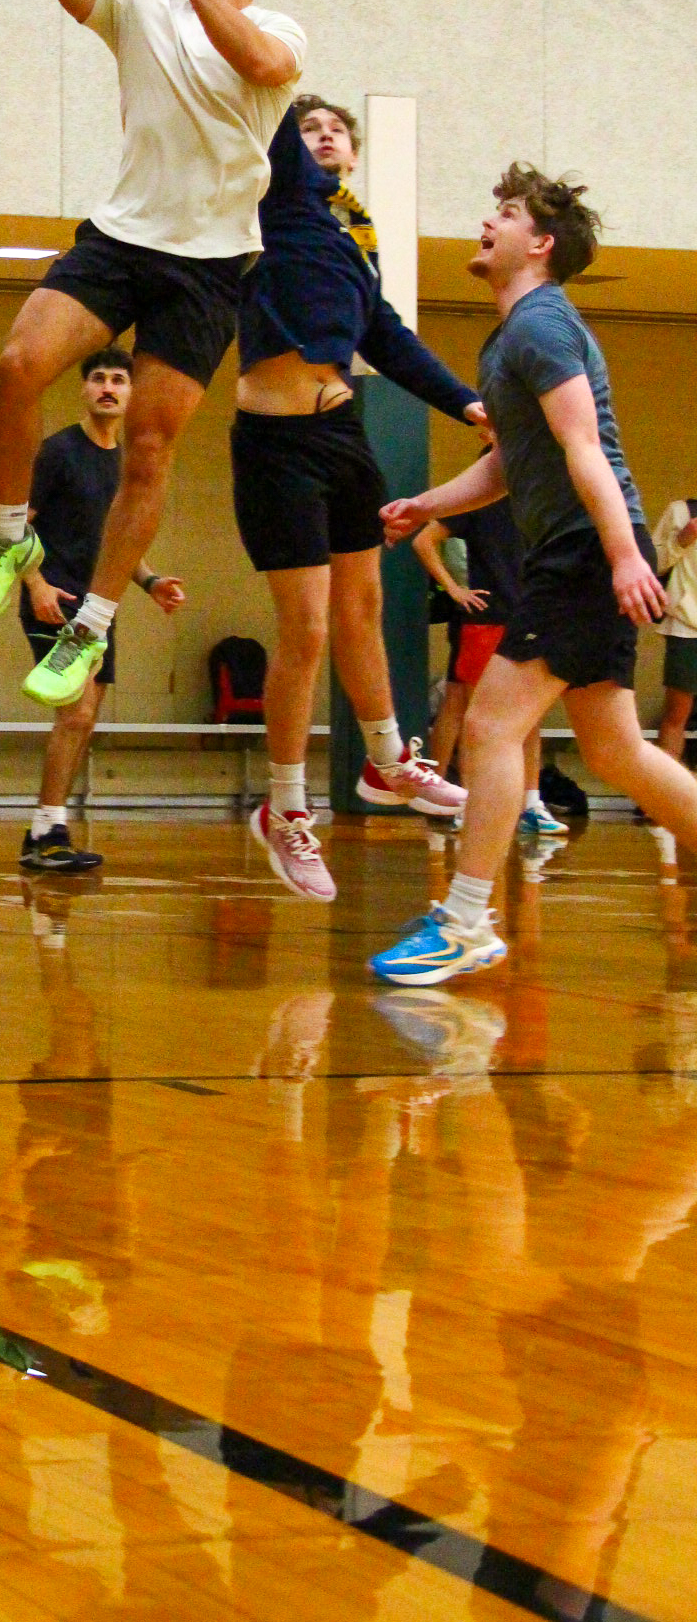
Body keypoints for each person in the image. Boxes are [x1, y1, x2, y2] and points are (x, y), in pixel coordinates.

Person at [0, 0, 305, 712]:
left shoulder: (284, 35)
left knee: (146, 451)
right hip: (120, 237)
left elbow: (257, 61)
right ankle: (5, 538)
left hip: (208, 265)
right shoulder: (141, 9)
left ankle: (92, 622)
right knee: (18, 364)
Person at [371, 165, 697, 986]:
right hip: (583, 549)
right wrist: (425, 502)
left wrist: (624, 555)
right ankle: (469, 916)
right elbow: (513, 468)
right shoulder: (512, 335)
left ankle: (468, 919)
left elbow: (586, 444)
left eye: (506, 214)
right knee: (616, 750)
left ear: (541, 244)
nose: (489, 221)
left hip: (584, 552)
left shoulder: (542, 326)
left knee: (487, 727)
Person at [233, 93, 475, 902]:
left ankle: (386, 759)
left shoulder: (353, 242)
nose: (326, 134)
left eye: (337, 127)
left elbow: (390, 339)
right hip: (277, 444)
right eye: (312, 128)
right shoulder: (281, 204)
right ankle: (287, 809)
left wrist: (469, 403)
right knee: (302, 630)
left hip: (344, 434)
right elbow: (264, 110)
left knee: (363, 609)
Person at [17, 348, 184, 875]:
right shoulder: (58, 452)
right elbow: (15, 526)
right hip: (57, 599)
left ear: (132, 394)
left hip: (99, 607)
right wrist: (36, 584)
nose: (108, 387)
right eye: (98, 379)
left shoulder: (127, 463)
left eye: (118, 380)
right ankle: (50, 828)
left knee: (84, 722)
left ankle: (43, 831)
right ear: (84, 389)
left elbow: (119, 542)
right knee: (77, 712)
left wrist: (151, 580)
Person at [412, 494, 558, 836]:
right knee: (476, 714)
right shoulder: (477, 501)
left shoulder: (541, 500)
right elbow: (423, 541)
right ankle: (469, 800)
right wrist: (454, 590)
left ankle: (531, 804)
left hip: (529, 618)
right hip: (485, 621)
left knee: (530, 715)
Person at [652, 492, 697, 767]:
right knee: (676, 715)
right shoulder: (680, 511)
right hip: (685, 626)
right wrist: (682, 539)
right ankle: (661, 801)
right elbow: (651, 564)